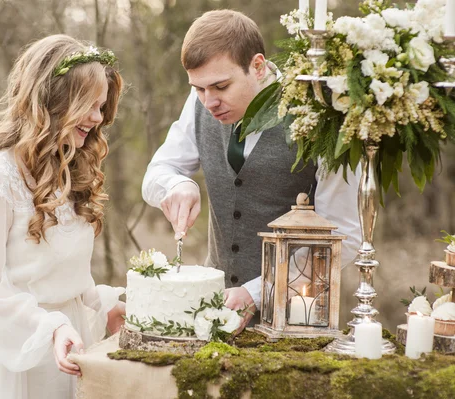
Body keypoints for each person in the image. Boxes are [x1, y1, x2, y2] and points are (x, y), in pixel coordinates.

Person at [142, 10, 361, 332]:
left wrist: (258, 293)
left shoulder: (321, 111)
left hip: (298, 322)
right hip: (214, 314)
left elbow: (345, 235)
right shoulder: (200, 99)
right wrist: (177, 185)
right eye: (199, 88)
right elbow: (160, 169)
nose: (209, 101)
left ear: (258, 67)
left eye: (221, 86)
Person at [0, 34, 125, 399]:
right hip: (14, 358)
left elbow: (61, 273)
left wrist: (102, 304)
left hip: (71, 348)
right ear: (53, 100)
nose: (97, 118)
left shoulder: (67, 169)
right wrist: (52, 327)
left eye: (101, 106)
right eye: (89, 105)